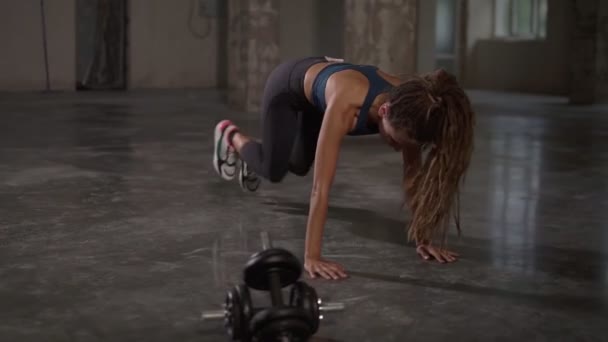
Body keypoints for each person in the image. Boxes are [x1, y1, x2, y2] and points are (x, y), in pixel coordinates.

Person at [212, 56, 475, 280]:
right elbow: (321, 188)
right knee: (274, 170)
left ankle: (262, 152)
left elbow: (412, 175)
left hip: (320, 95)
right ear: (383, 111)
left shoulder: (412, 107)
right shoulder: (347, 106)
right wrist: (312, 257)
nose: (397, 147)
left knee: (298, 165)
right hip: (288, 87)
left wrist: (423, 238)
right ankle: (230, 135)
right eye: (394, 140)